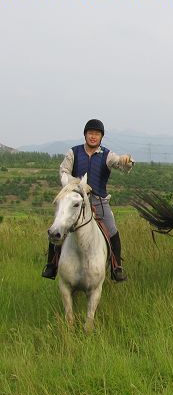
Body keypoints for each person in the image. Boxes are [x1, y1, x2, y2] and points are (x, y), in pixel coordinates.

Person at [42, 118, 134, 281]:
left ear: (101, 137)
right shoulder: (73, 152)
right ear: (85, 135)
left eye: (97, 134)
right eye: (90, 133)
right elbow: (63, 172)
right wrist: (78, 185)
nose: (93, 136)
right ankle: (51, 265)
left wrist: (127, 161)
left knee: (112, 230)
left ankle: (116, 267)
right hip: (75, 200)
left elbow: (121, 164)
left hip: (99, 201)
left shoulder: (107, 155)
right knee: (58, 225)